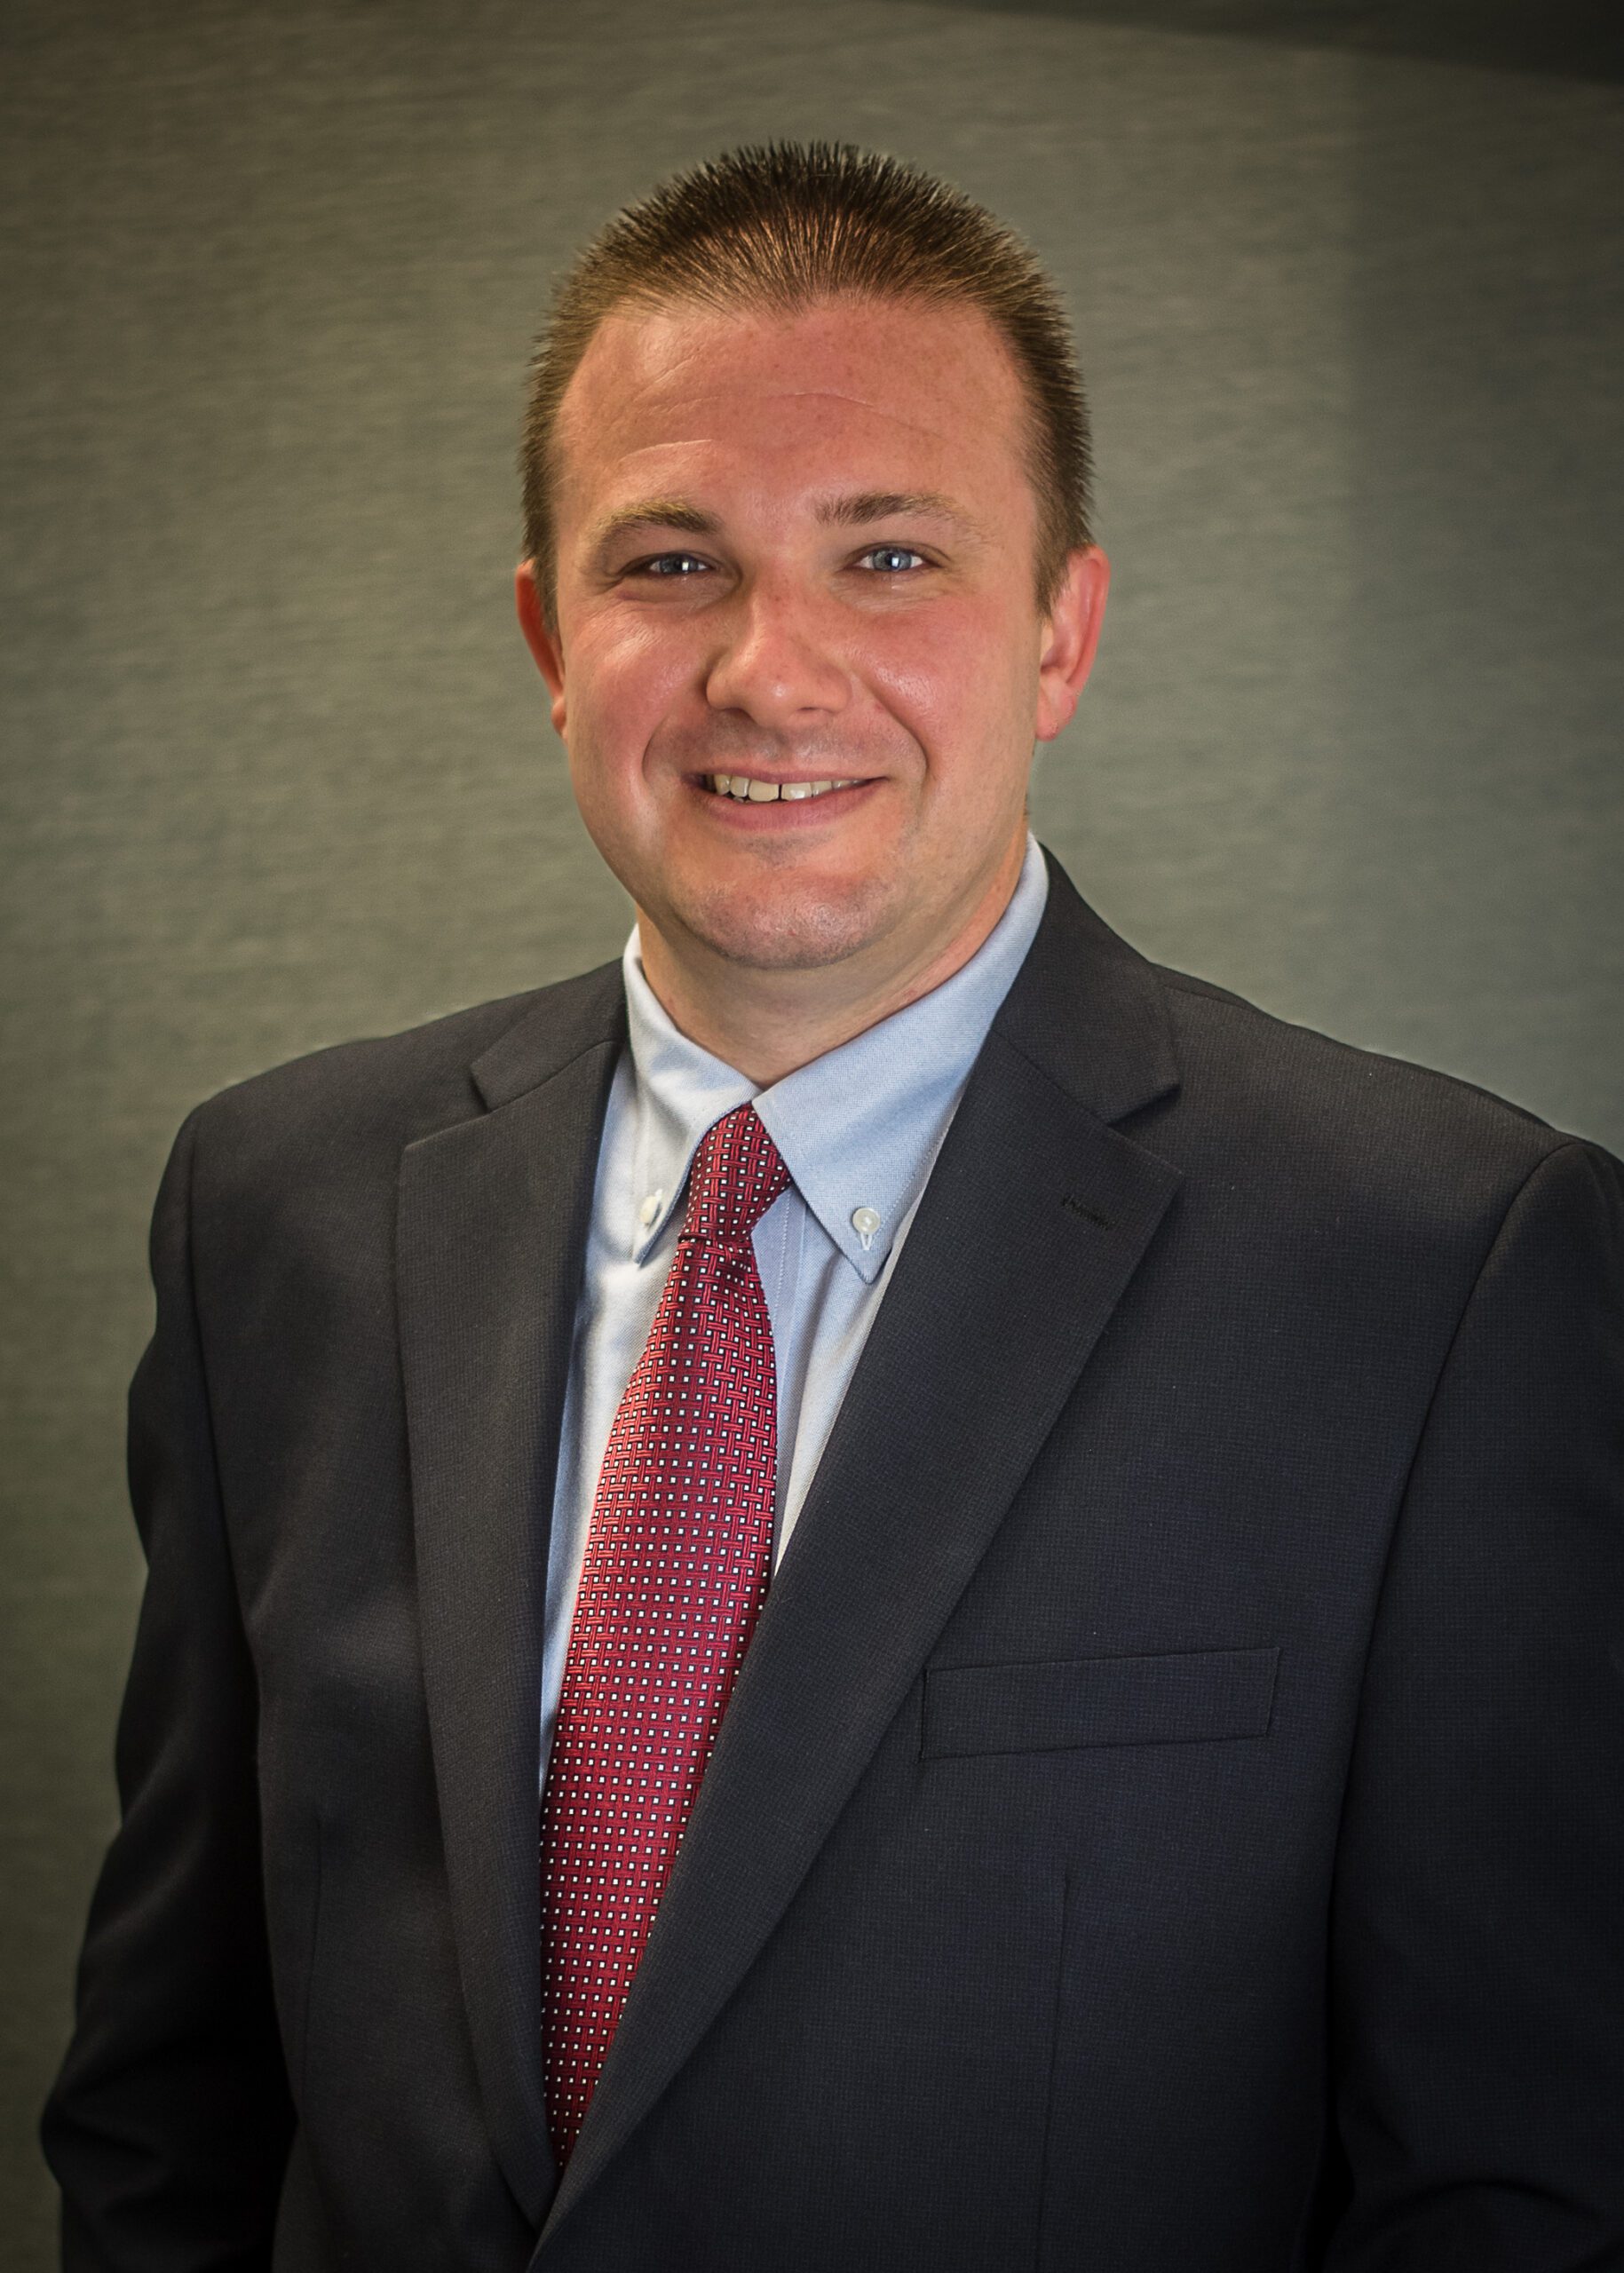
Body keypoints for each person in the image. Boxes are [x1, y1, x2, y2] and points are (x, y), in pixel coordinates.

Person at [43, 141, 1623, 2272]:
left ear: (1060, 628)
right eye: (670, 562)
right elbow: (174, 2100)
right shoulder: (279, 1214)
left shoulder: (1447, 1272)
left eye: (889, 556)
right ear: (545, 632)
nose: (772, 671)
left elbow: (1514, 2195)